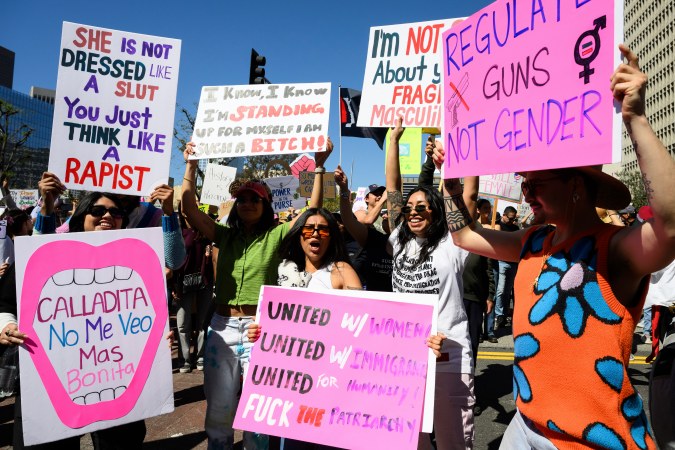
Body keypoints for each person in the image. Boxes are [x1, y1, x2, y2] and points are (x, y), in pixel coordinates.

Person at [434, 45, 672, 449]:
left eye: (536, 184)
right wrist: (450, 188)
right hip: (525, 427)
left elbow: (668, 225)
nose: (526, 194)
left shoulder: (612, 248)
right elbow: (464, 236)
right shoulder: (534, 241)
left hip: (592, 439)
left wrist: (635, 118)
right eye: (524, 184)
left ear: (576, 185)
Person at [182, 139, 332, 450]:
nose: (247, 203)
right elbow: (189, 210)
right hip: (221, 328)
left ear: (266, 206)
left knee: (259, 411)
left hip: (260, 330)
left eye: (255, 199)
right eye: (242, 199)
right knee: (219, 410)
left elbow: (311, 211)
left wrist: (319, 164)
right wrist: (190, 166)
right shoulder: (224, 234)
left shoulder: (277, 235)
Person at [386, 118, 475, 449]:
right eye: (410, 209)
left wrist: (459, 156)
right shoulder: (398, 240)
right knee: (411, 443)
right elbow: (394, 190)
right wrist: (394, 139)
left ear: (437, 212)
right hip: (405, 360)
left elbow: (469, 193)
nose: (413, 212)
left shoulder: (454, 243)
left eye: (422, 207)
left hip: (450, 359)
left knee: (454, 443)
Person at [335, 166, 393, 292]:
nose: (379, 196)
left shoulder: (385, 216)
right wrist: (383, 199)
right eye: (376, 193)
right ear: (366, 198)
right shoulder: (361, 213)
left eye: (381, 193)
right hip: (367, 265)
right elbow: (367, 221)